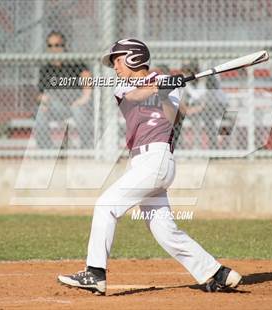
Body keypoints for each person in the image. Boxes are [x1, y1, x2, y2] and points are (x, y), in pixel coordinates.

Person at [57, 38, 242, 295]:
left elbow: (173, 117)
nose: (114, 67)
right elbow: (134, 95)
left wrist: (167, 92)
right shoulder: (122, 85)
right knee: (163, 229)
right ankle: (216, 273)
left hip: (157, 159)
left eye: (117, 60)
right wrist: (158, 86)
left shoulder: (167, 83)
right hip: (143, 163)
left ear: (133, 57)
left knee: (106, 205)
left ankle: (95, 273)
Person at [36, 31, 92, 149]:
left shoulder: (74, 63)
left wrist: (84, 98)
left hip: (76, 105)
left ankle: (87, 147)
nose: (54, 49)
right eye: (50, 46)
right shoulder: (46, 69)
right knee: (41, 111)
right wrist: (44, 100)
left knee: (78, 110)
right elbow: (40, 94)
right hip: (56, 107)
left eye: (57, 45)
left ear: (64, 46)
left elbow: (87, 78)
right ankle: (45, 149)